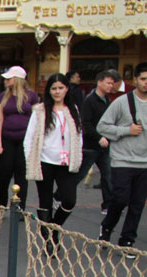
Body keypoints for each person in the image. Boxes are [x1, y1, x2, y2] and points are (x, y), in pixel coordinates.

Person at [24, 73, 83, 256]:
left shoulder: (72, 109)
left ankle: (54, 228)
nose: (57, 92)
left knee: (69, 200)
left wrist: (78, 154)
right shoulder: (40, 110)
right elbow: (30, 136)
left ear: (67, 89)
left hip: (66, 161)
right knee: (45, 201)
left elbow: (79, 134)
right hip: (45, 160)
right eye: (54, 88)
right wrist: (29, 159)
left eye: (61, 88)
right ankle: (49, 241)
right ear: (49, 91)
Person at [96, 61, 147, 253]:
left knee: (137, 204)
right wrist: (126, 130)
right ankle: (107, 226)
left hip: (145, 162)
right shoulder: (122, 102)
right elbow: (102, 127)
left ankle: (127, 241)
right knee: (119, 199)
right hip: (123, 160)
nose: (146, 83)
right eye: (143, 79)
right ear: (135, 80)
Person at [72, 69, 119, 215]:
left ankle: (108, 205)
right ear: (99, 82)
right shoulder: (90, 100)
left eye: (112, 83)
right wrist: (98, 137)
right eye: (108, 83)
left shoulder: (107, 100)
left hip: (105, 146)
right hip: (91, 145)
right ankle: (60, 196)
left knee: (108, 175)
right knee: (79, 175)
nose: (111, 86)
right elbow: (85, 123)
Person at [0, 65, 38, 209]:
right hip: (7, 137)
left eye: (9, 78)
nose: (6, 81)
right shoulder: (3, 96)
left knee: (21, 174)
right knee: (4, 172)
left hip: (25, 139)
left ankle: (19, 207)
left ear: (17, 79)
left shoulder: (31, 96)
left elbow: (37, 117)